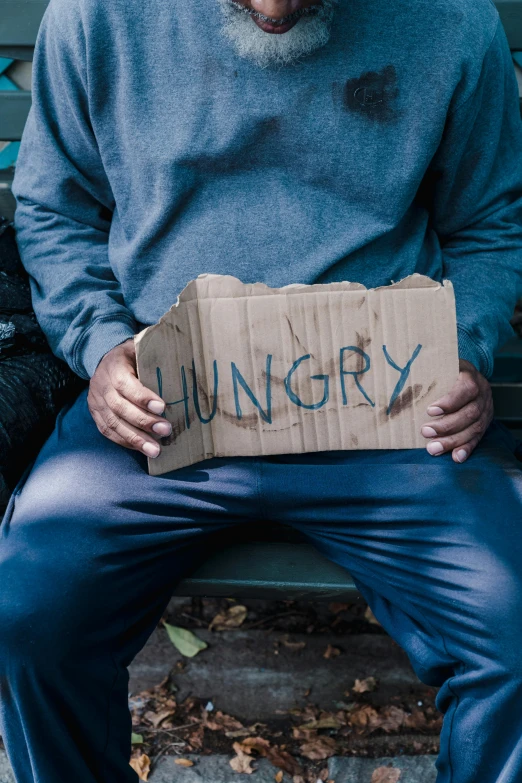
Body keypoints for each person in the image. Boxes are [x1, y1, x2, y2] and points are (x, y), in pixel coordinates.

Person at [3, 0, 522, 780]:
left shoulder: (450, 20)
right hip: (169, 397)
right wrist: (100, 344)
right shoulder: (97, 15)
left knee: (514, 626)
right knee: (28, 613)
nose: (276, 12)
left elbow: (489, 221)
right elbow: (53, 209)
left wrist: (467, 347)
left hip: (383, 403)